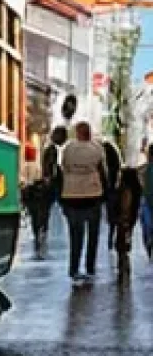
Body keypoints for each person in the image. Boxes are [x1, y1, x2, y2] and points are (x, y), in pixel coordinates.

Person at [60, 121, 108, 285]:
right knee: (93, 234)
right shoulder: (97, 148)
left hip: (71, 194)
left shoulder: (68, 148)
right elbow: (103, 170)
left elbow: (63, 167)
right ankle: (90, 267)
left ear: (77, 133)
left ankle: (74, 268)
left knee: (75, 234)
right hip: (93, 193)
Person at [35, 126, 67, 259]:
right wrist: (50, 177)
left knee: (45, 208)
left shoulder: (49, 147)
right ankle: (42, 228)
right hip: (52, 184)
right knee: (47, 207)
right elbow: (51, 167)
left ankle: (42, 228)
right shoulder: (52, 149)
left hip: (50, 182)